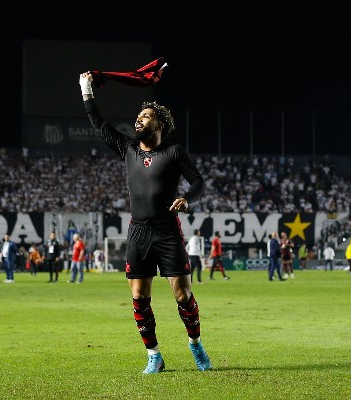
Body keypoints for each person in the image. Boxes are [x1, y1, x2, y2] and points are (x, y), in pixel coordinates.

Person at [80, 71, 211, 374]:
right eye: (138, 116)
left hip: (167, 231)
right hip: (138, 231)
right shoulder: (128, 148)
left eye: (146, 116)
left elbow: (198, 182)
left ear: (159, 124)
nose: (139, 120)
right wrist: (86, 90)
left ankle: (195, 344)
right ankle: (154, 355)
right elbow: (99, 124)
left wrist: (188, 199)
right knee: (139, 297)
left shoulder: (174, 153)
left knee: (183, 294)